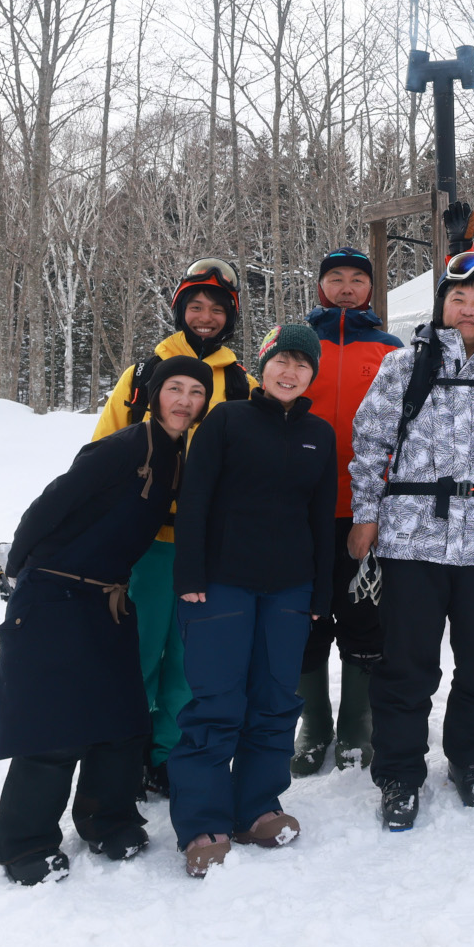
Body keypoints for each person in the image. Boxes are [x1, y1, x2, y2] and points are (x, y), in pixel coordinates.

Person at [0, 357, 212, 885]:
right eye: (173, 389)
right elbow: (50, 505)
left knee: (123, 714)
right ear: (154, 396)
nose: (184, 400)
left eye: (195, 392)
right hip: (55, 591)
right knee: (54, 725)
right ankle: (25, 844)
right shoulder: (123, 448)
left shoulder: (179, 456)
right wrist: (19, 572)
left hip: (109, 598)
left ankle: (107, 819)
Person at [349, 251, 474, 832]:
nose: (468, 309)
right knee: (407, 664)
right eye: (458, 299)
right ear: (442, 306)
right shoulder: (403, 366)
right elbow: (370, 441)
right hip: (411, 539)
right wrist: (366, 515)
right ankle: (400, 773)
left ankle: (470, 756)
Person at [170, 324, 336, 877]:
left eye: (302, 364)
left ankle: (257, 807)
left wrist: (322, 588)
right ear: (262, 367)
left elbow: (321, 518)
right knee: (217, 702)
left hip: (289, 587)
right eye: (281, 361)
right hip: (221, 582)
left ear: (313, 373)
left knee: (274, 700)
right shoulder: (227, 420)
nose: (290, 372)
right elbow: (195, 498)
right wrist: (189, 571)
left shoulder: (320, 434)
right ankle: (202, 821)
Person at [92, 259, 256, 796]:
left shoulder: (241, 383)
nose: (204, 317)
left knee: (189, 662)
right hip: (145, 543)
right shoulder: (141, 376)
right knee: (136, 651)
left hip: (207, 546)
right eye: (195, 306)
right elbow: (99, 455)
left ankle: (168, 755)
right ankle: (125, 752)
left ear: (230, 317)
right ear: (180, 310)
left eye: (216, 309)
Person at [293, 247, 403, 776]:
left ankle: (358, 722)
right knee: (305, 616)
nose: (345, 287)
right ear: (320, 286)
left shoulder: (391, 350)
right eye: (334, 277)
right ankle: (314, 723)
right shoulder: (293, 344)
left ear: (370, 289)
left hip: (369, 508)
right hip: (299, 510)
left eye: (356, 279)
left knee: (365, 614)